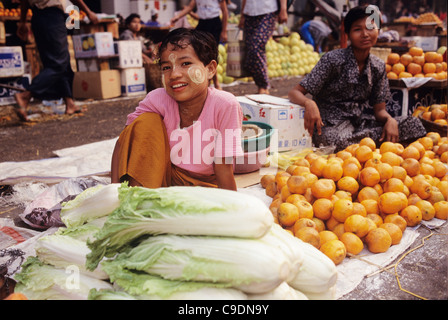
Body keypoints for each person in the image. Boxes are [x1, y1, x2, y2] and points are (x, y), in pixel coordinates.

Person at [111, 28, 243, 191]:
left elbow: (223, 168)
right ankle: (135, 197)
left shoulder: (225, 105)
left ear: (210, 69)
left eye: (185, 64)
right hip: (164, 178)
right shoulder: (157, 98)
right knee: (145, 122)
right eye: (166, 67)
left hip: (205, 186)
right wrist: (113, 191)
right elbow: (124, 141)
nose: (174, 75)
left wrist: (232, 207)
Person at [288, 5, 426, 152]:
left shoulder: (378, 66)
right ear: (347, 34)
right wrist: (309, 103)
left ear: (378, 31)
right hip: (330, 127)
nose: (365, 34)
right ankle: (368, 147)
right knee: (334, 141)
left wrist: (389, 120)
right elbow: (294, 92)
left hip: (359, 125)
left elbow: (379, 110)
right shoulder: (332, 60)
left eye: (370, 28)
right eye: (357, 29)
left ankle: (364, 147)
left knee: (413, 124)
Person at [14, 0, 98, 121]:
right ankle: (26, 96)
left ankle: (70, 103)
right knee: (58, 64)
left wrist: (22, 21)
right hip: (52, 16)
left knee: (61, 60)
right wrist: (89, 12)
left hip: (38, 18)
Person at [170, 0, 228, 90]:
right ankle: (206, 81)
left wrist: (224, 31)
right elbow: (190, 7)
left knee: (211, 53)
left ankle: (216, 82)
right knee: (199, 53)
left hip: (214, 23)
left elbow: (225, 11)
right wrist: (178, 16)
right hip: (202, 23)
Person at [239, 0, 288, 94]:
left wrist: (283, 9)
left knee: (255, 47)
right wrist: (242, 15)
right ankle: (261, 87)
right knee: (251, 49)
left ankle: (263, 85)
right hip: (249, 13)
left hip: (268, 11)